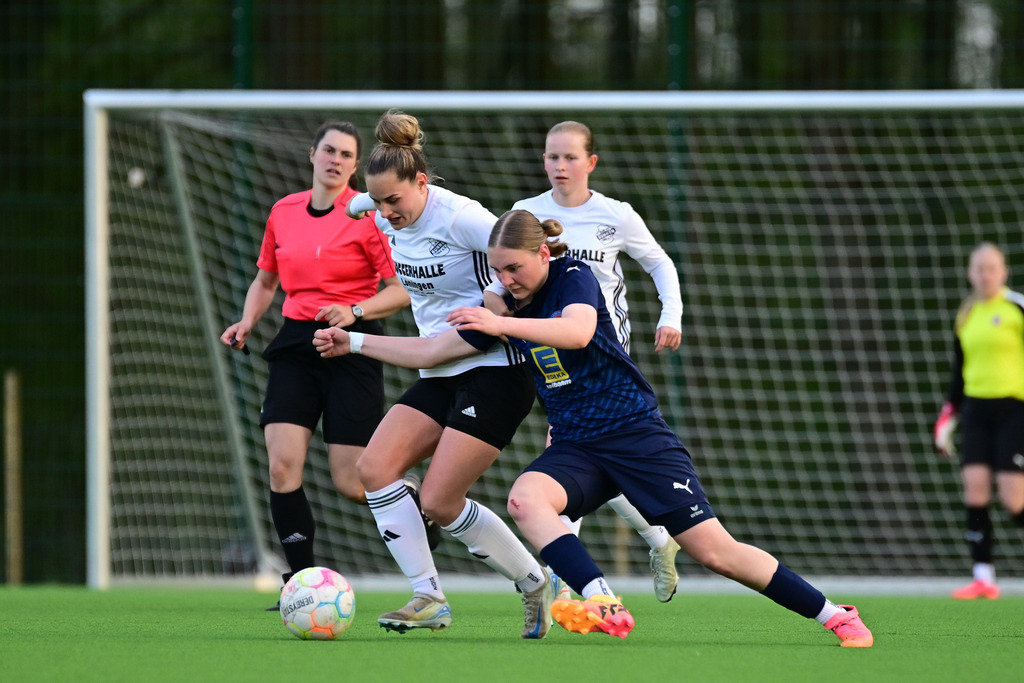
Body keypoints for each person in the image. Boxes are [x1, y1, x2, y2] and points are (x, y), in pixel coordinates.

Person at [313, 209, 875, 646]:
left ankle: (832, 614)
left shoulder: (573, 275)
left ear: (544, 253)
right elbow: (432, 348)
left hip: (635, 434)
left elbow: (578, 332)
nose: (507, 278)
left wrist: (501, 319)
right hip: (578, 443)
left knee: (715, 551)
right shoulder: (504, 304)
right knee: (526, 499)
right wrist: (355, 341)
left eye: (516, 267)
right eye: (498, 269)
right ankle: (603, 598)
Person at [341, 110, 554, 638]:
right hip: (440, 369)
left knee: (438, 500)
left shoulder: (463, 217)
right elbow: (357, 202)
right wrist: (357, 204)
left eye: (395, 201)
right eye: (379, 202)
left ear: (422, 182)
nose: (387, 213)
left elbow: (522, 250)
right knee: (373, 469)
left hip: (494, 368)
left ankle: (532, 581)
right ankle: (427, 595)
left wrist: (498, 299)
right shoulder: (382, 204)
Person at [220, 121, 410, 609]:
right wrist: (245, 321)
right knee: (283, 467)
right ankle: (300, 584)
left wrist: (355, 311)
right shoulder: (283, 212)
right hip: (296, 346)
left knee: (352, 481)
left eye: (347, 155)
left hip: (351, 346)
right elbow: (266, 281)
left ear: (355, 165)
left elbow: (399, 291)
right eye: (329, 150)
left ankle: (420, 506)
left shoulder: (368, 217)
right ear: (312, 154)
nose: (336, 160)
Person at [510, 120, 684, 602]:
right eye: (551, 157)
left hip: (602, 360)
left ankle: (570, 590)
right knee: (575, 464)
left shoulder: (616, 214)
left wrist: (672, 314)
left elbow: (659, 262)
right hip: (547, 352)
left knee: (565, 456)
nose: (559, 166)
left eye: (569, 157)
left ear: (591, 163)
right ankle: (654, 539)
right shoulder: (526, 214)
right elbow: (500, 269)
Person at [933, 241, 1024, 600]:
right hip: (975, 411)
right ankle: (983, 577)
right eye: (979, 268)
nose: (985, 274)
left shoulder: (1017, 307)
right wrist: (947, 417)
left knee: (1013, 499)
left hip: (1015, 409)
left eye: (991, 268)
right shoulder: (966, 315)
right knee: (975, 487)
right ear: (970, 274)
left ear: (1003, 272)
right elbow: (959, 373)